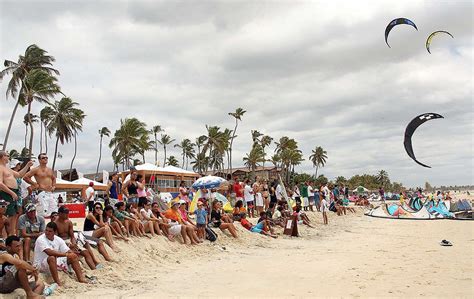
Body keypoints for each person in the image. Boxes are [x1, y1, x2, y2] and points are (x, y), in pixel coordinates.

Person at [0, 151, 33, 235]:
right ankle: (5, 236)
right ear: (2, 157)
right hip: (6, 193)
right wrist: (11, 192)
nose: (8, 157)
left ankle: (12, 234)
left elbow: (19, 174)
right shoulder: (0, 168)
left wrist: (27, 166)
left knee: (14, 215)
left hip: (14, 192)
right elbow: (0, 183)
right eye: (7, 156)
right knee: (6, 216)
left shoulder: (7, 169)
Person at [23, 153, 57, 219]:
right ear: (39, 160)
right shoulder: (36, 169)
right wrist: (34, 183)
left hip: (50, 193)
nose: (45, 159)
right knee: (42, 213)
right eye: (43, 158)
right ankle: (41, 228)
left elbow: (54, 178)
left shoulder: (50, 170)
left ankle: (52, 228)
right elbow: (25, 177)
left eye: (46, 157)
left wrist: (54, 186)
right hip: (42, 192)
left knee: (54, 213)